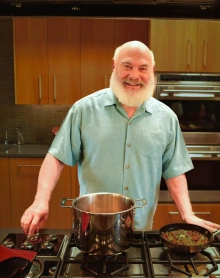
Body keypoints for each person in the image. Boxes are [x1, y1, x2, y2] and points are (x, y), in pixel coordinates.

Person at [21, 41, 220, 236]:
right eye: (127, 66)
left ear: (152, 70)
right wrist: (40, 200)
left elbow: (174, 171)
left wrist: (188, 214)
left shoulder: (166, 118)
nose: (134, 76)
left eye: (143, 68)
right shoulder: (84, 110)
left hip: (140, 229)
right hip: (92, 228)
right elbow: (56, 157)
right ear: (114, 66)